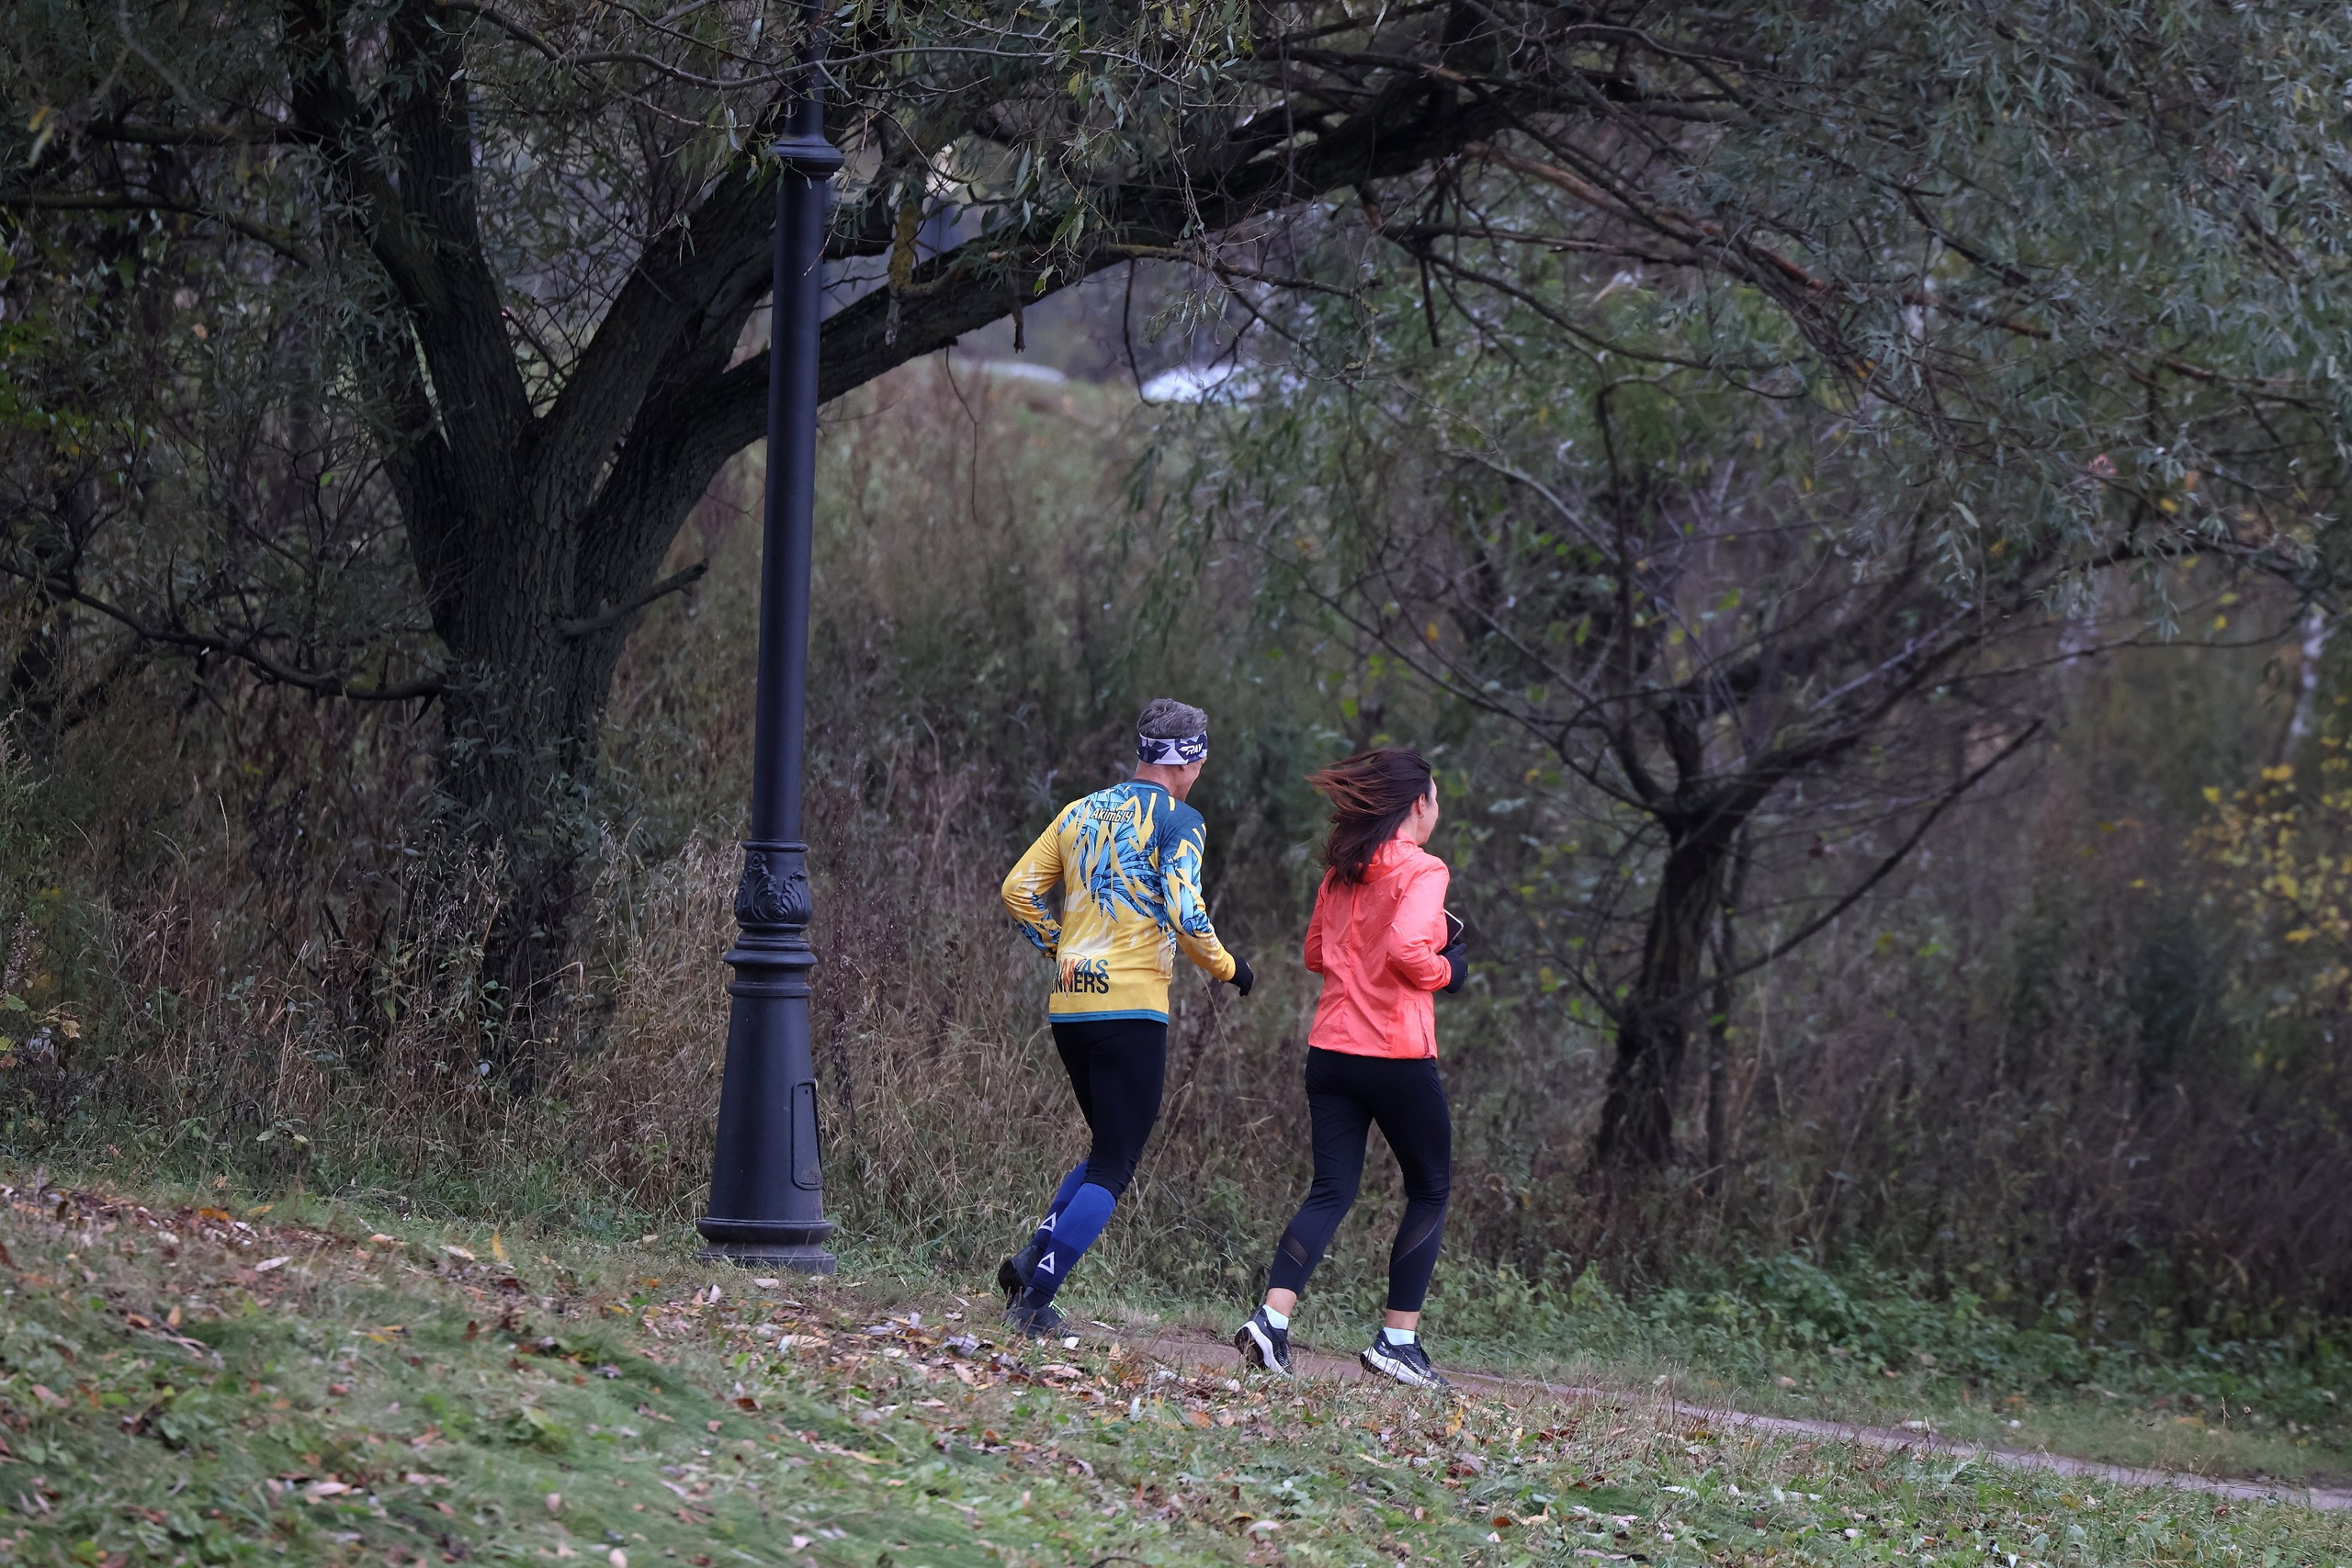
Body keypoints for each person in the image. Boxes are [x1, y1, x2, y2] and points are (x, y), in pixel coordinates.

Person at [997, 697, 1255, 1338]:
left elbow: (1018, 889)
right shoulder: (1182, 820)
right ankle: (1035, 1300)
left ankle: (1029, 1261)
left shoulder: (1079, 810)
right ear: (1188, 760)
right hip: (1130, 1007)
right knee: (1116, 1162)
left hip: (1069, 1004)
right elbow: (1187, 916)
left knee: (1106, 1146)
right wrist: (1231, 968)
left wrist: (1061, 948)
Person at [1235, 747, 1465, 1389]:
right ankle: (1398, 1340)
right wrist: (1449, 967)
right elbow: (1406, 948)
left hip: (1331, 1050)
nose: (1438, 809)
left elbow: (1316, 953)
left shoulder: (1342, 872)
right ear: (1418, 803)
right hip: (1395, 1055)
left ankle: (1271, 1321)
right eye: (1436, 797)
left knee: (1331, 1189)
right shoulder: (1424, 870)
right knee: (1430, 1186)